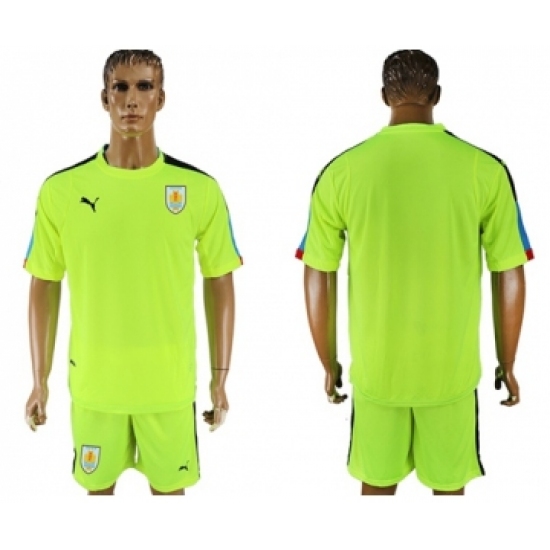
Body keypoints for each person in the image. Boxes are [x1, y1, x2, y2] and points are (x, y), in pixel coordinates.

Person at [295, 49, 533, 495]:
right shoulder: (485, 170)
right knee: (449, 491)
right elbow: (510, 272)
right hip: (450, 377)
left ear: (383, 96)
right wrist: (509, 362)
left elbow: (318, 273)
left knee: (376, 489)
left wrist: (328, 362)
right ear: (437, 95)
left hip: (376, 376)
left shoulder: (341, 173)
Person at [23, 49, 242, 495]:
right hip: (95, 389)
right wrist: (38, 382)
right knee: (98, 499)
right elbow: (44, 283)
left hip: (168, 389)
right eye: (120, 87)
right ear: (104, 98)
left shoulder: (199, 190)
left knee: (170, 498)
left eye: (144, 86)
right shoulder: (61, 191)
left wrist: (220, 378)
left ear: (161, 98)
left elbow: (220, 280)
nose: (131, 100)